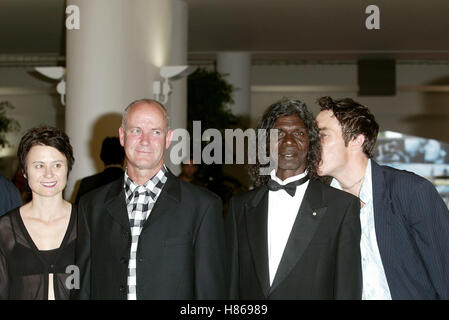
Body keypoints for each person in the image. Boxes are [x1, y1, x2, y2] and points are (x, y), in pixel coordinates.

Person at [75, 98, 226, 300]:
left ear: (168, 138)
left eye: (156, 132)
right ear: (122, 136)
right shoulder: (91, 206)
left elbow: (210, 292)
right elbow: (83, 288)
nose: (145, 141)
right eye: (136, 130)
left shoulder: (203, 207)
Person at [225, 98, 362, 299]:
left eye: (298, 133)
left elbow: (347, 289)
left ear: (311, 142)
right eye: (279, 133)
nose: (289, 141)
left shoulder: (341, 207)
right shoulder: (240, 207)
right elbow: (231, 288)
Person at [316, 96, 449, 300]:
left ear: (356, 140)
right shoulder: (320, 206)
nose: (311, 145)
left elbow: (444, 276)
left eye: (323, 136)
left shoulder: (411, 192)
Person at [0, 126, 76, 300]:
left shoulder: (86, 223)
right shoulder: (5, 229)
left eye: (57, 165)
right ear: (25, 172)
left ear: (67, 168)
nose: (48, 174)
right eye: (39, 166)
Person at [74, 136, 124, 203]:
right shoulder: (135, 184)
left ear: (101, 156)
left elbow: (78, 212)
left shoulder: (87, 183)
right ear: (124, 157)